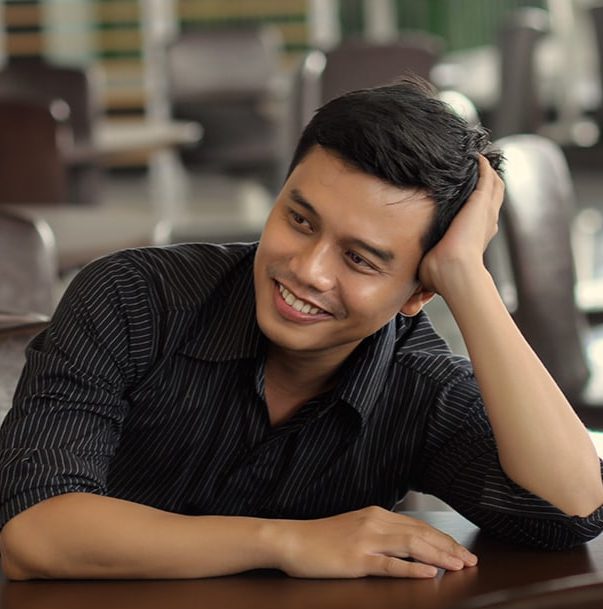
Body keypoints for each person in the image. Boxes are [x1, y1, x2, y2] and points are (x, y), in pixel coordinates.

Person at [1, 79, 602, 581]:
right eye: (299, 220)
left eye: (360, 259)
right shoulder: (133, 298)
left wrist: (469, 278)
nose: (308, 270)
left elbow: (571, 512)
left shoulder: (417, 383)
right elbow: (36, 532)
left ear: (419, 290)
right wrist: (287, 541)